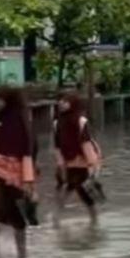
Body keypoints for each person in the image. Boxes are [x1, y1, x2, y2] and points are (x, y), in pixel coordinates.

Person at [0, 85, 36, 257]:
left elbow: (28, 150)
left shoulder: (20, 119)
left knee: (15, 216)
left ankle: (22, 254)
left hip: (15, 175)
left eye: (0, 98)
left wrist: (28, 181)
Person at [54, 91, 102, 221]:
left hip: (83, 162)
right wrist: (60, 164)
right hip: (67, 163)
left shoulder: (81, 121)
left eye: (66, 100)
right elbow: (57, 145)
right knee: (65, 189)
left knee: (82, 191)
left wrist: (92, 166)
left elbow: (86, 143)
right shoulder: (57, 123)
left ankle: (94, 221)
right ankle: (56, 219)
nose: (62, 103)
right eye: (61, 100)